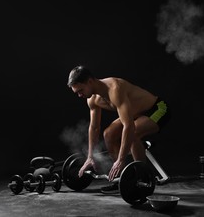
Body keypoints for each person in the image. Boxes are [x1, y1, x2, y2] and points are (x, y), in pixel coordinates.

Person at [67, 65, 169, 194]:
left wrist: (121, 159)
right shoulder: (92, 100)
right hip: (135, 114)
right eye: (76, 93)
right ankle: (120, 179)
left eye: (80, 90)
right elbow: (94, 127)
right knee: (108, 134)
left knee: (134, 132)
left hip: (157, 108)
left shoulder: (115, 88)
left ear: (90, 81)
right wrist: (90, 156)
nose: (79, 95)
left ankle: (143, 178)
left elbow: (129, 126)